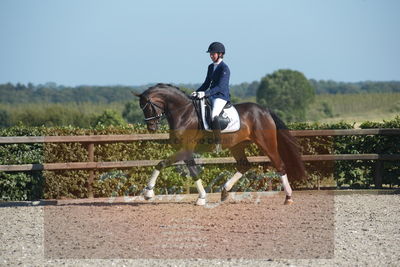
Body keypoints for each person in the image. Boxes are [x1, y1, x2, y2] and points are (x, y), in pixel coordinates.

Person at [192, 42, 231, 152]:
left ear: (220, 54)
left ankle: (218, 143)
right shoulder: (210, 67)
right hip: (211, 95)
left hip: (221, 96)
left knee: (214, 115)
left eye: (213, 54)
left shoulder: (224, 68)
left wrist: (205, 94)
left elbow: (220, 87)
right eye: (210, 54)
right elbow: (206, 84)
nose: (211, 56)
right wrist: (197, 92)